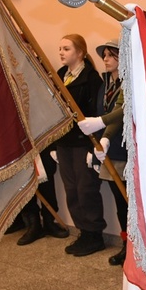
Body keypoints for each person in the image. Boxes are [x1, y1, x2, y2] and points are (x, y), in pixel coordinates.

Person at [55, 34, 107, 257]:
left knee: (86, 190)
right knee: (72, 190)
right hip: (65, 143)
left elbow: (96, 113)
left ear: (80, 53)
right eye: (60, 49)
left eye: (66, 49)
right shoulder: (59, 75)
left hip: (83, 143)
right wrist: (55, 144)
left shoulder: (91, 79)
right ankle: (83, 231)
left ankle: (94, 234)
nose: (61, 53)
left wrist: (92, 147)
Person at [78, 41, 128, 265]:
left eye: (111, 55)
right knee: (120, 203)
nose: (105, 59)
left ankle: (138, 250)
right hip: (109, 152)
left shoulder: (130, 83)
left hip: (127, 150)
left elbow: (120, 113)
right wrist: (97, 145)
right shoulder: (105, 84)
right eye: (104, 55)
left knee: (131, 204)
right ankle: (126, 245)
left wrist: (105, 136)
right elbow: (98, 116)